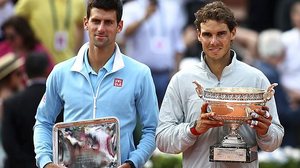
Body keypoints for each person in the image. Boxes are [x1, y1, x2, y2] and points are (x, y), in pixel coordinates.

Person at [155, 1, 284, 168]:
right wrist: (194, 129)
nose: (214, 42)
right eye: (208, 34)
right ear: (199, 35)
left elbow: (274, 141)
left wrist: (265, 131)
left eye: (221, 34)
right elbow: (162, 140)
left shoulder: (256, 78)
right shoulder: (181, 80)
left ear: (233, 33)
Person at [33, 0, 158, 168]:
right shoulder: (60, 72)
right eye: (96, 21)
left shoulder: (140, 73)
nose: (101, 28)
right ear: (86, 23)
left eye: (108, 22)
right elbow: (43, 122)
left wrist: (132, 162)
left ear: (119, 26)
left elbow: (152, 130)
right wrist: (46, 162)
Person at [120, 0, 186, 106]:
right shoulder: (131, 8)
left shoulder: (172, 7)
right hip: (138, 75)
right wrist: (143, 18)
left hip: (165, 74)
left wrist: (176, 73)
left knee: (164, 116)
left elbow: (178, 44)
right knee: (139, 117)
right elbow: (123, 34)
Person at [1, 52, 50, 168]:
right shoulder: (60, 99)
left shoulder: (11, 103)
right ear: (47, 71)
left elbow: (9, 145)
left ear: (26, 73)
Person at [253, 29, 300, 147]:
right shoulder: (271, 75)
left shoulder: (259, 68)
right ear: (281, 52)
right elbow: (281, 113)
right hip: (274, 141)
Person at [14, 0, 86, 64]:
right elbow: (15, 22)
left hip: (67, 63)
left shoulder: (78, 2)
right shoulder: (30, 1)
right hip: (39, 64)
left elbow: (80, 25)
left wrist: (75, 52)